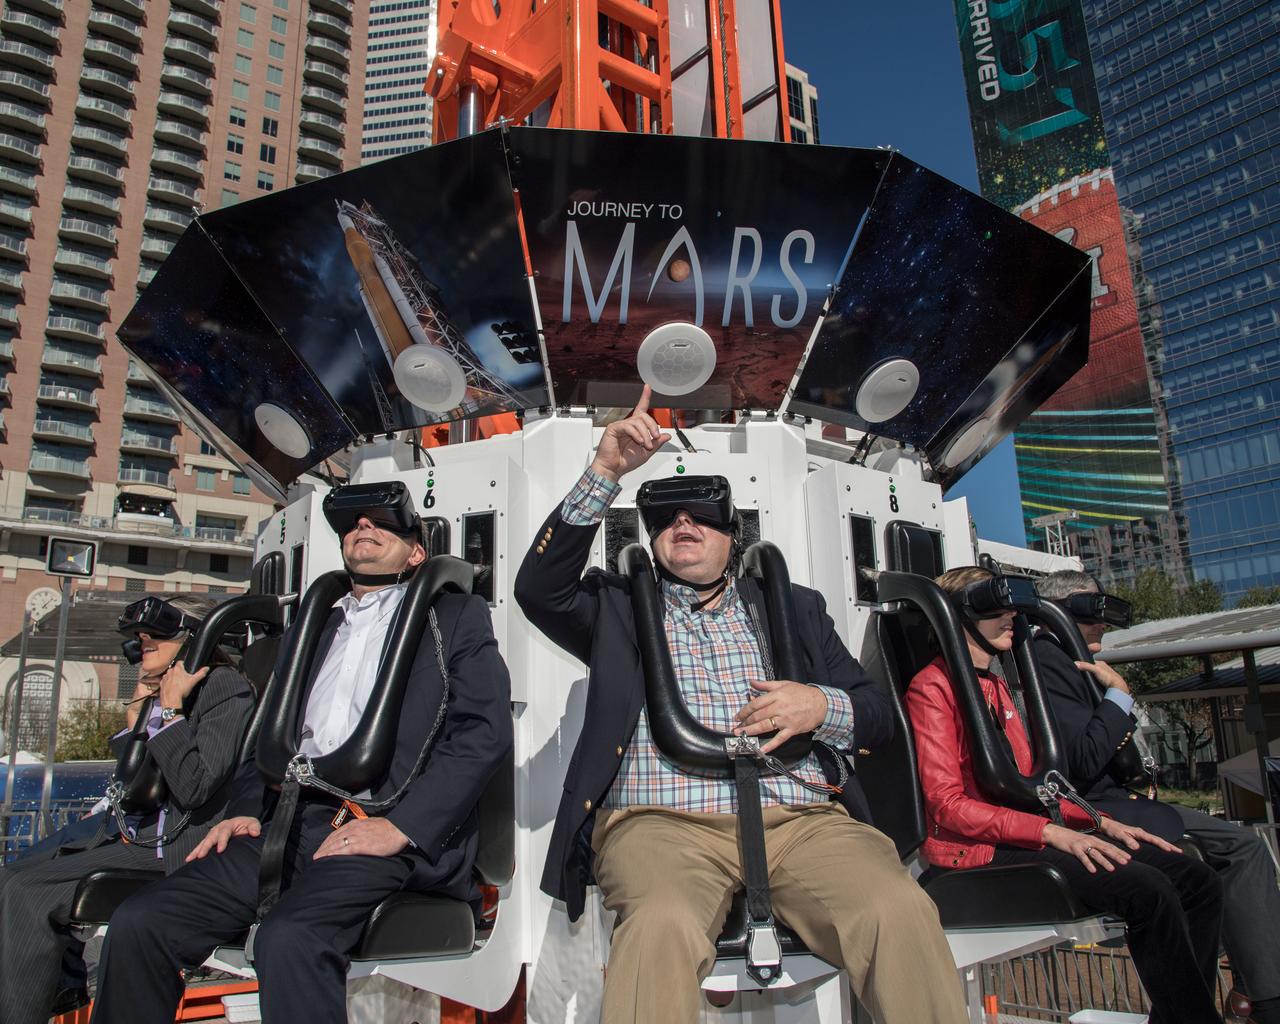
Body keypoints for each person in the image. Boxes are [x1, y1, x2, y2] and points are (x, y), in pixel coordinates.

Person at [514, 386, 967, 1024]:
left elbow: (877, 715)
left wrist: (818, 705)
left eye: (701, 515)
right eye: (667, 517)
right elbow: (537, 588)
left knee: (897, 909)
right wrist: (605, 470)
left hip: (800, 816)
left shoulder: (797, 609)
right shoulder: (615, 610)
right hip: (660, 823)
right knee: (659, 927)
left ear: (734, 534)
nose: (683, 525)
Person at [92, 483, 513, 1024]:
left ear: (416, 551)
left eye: (383, 522)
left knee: (289, 939)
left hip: (381, 827)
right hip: (289, 825)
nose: (364, 527)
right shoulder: (316, 626)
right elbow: (268, 733)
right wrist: (246, 807)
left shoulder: (455, 618)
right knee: (140, 922)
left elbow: (482, 733)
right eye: (353, 523)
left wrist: (401, 828)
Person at [907, 566, 1226, 1024]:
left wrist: (1100, 822)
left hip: (1025, 834)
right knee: (1148, 889)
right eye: (996, 609)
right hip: (975, 851)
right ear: (958, 616)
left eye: (1014, 609)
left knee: (1198, 880)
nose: (1011, 619)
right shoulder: (931, 689)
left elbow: (1035, 782)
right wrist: (1052, 834)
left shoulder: (996, 687)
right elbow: (946, 805)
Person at [1036, 569, 1280, 1024]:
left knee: (1228, 857)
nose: (1102, 623)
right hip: (1097, 809)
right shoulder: (1049, 660)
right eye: (1092, 611)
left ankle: (1244, 992)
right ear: (1060, 611)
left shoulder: (1075, 662)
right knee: (1237, 851)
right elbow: (1082, 759)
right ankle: (1258, 1000)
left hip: (1123, 802)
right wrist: (1119, 698)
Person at [0, 594, 254, 1024]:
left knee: (29, 892)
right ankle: (61, 979)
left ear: (192, 640)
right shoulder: (166, 694)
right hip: (136, 831)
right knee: (13, 873)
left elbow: (194, 786)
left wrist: (170, 710)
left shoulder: (223, 688)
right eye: (141, 636)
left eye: (156, 635)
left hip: (171, 846)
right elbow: (135, 782)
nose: (144, 640)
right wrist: (141, 714)